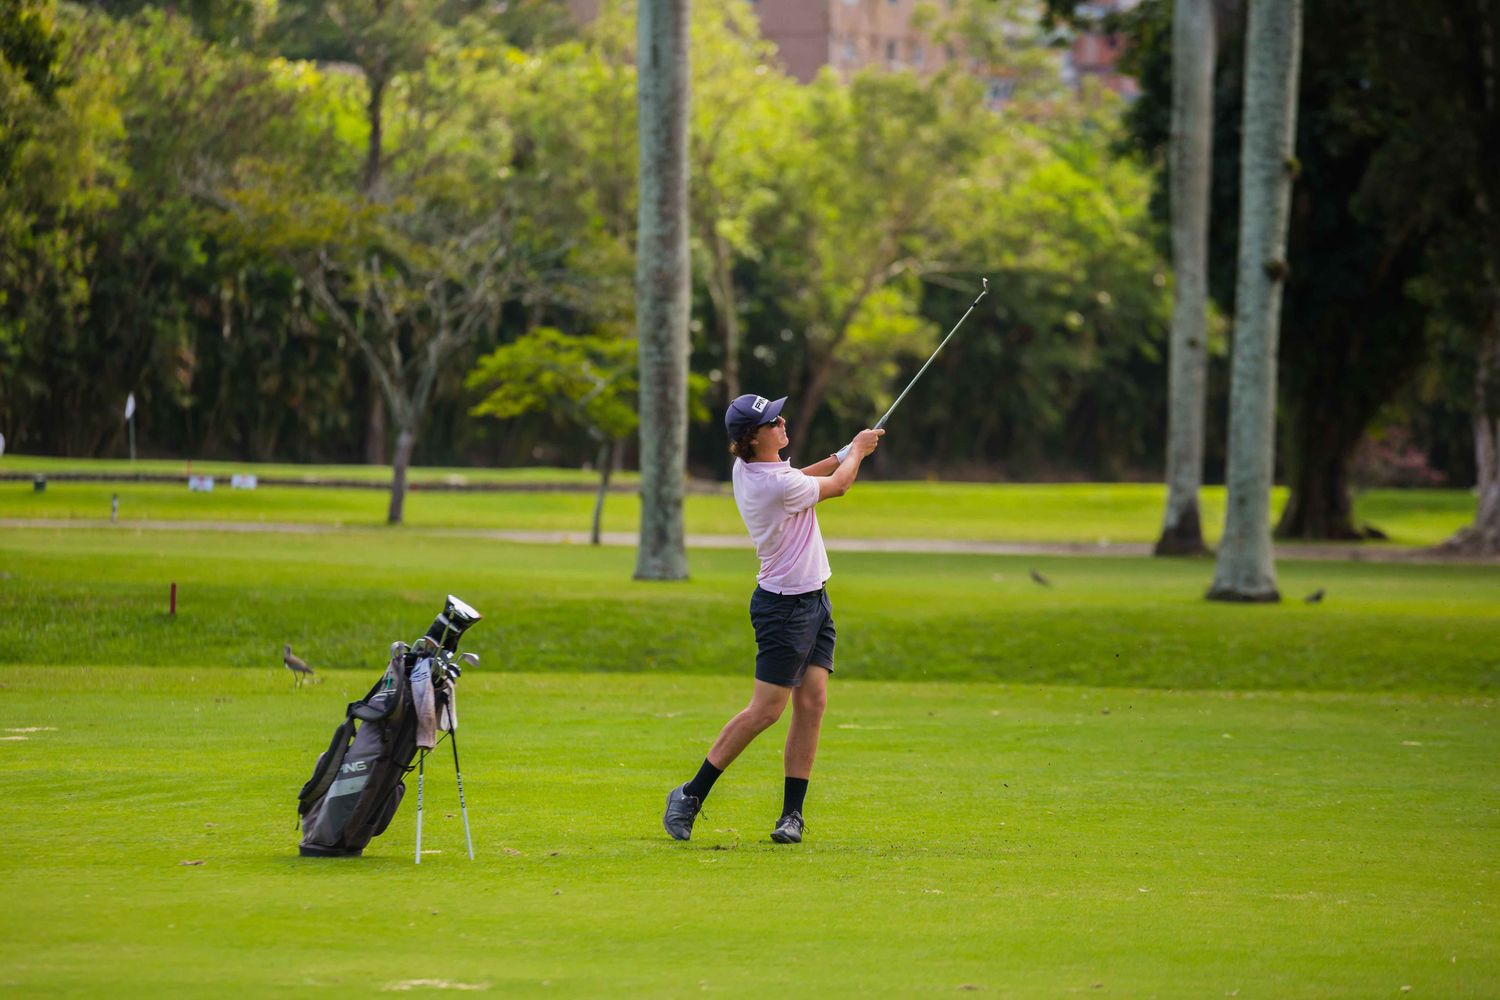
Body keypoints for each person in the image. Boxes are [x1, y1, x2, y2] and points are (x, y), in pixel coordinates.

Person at [663, 393, 883, 844]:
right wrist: (857, 451)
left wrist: (838, 455)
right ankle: (690, 793)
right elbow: (838, 487)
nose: (783, 421)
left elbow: (799, 477)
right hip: (784, 609)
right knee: (766, 710)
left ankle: (791, 816)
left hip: (814, 601)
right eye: (772, 421)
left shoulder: (755, 471)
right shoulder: (774, 486)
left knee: (812, 702)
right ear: (753, 437)